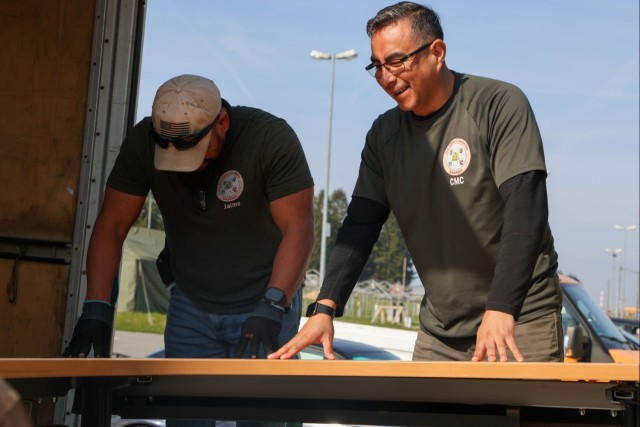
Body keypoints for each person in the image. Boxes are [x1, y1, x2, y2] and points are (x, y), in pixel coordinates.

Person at [271, 2, 562, 363]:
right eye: (377, 67)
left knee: (520, 420)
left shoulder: (498, 104)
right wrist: (324, 308)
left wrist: (503, 308)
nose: (386, 77)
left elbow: (526, 213)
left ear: (436, 52)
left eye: (396, 61)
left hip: (519, 320)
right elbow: (359, 227)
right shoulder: (384, 136)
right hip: (440, 332)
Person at [63, 74, 315, 425]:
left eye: (197, 153)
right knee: (184, 417)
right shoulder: (142, 142)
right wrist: (96, 306)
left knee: (265, 416)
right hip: (191, 305)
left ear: (222, 123)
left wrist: (273, 303)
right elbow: (112, 225)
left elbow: (299, 228)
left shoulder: (269, 138)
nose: (186, 164)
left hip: (264, 304)